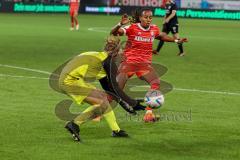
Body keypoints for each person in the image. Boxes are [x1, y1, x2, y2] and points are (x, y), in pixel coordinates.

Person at [58, 35, 146, 142]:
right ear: (116, 51)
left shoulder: (99, 56)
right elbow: (114, 88)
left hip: (70, 78)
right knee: (100, 103)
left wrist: (125, 104)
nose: (122, 53)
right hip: (69, 81)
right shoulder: (108, 63)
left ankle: (116, 130)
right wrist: (133, 103)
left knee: (103, 100)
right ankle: (74, 124)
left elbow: (108, 89)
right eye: (121, 50)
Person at [110, 8, 187, 120]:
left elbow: (161, 36)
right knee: (116, 90)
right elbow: (114, 32)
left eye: (150, 17)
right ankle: (98, 113)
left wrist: (176, 41)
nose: (148, 19)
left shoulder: (154, 28)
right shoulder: (132, 27)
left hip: (144, 65)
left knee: (155, 83)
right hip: (129, 63)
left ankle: (148, 114)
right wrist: (119, 24)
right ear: (140, 18)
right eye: (146, 17)